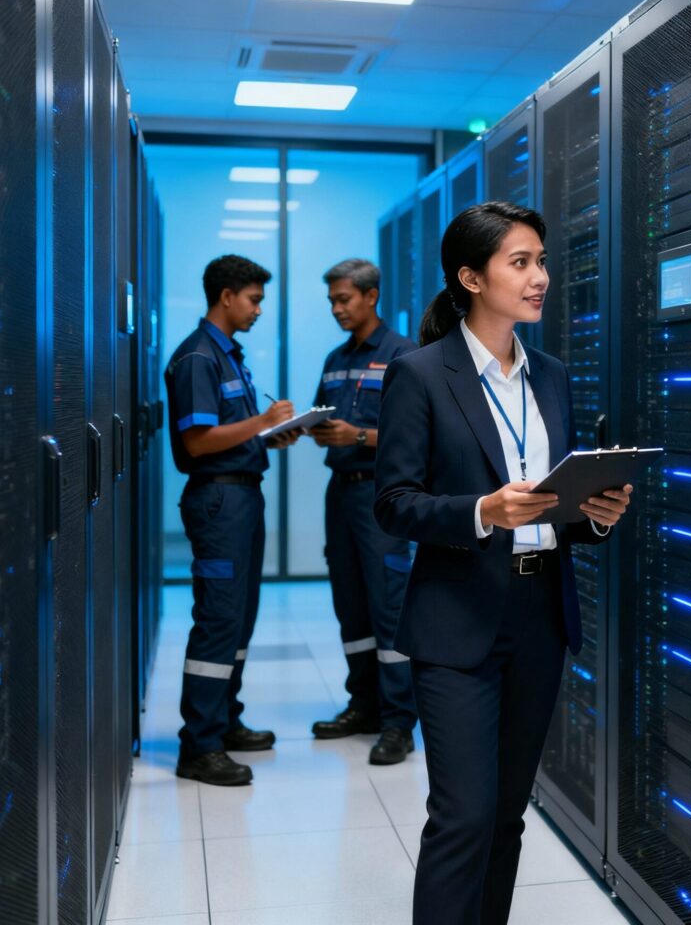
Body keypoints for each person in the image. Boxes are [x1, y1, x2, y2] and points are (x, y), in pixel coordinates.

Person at [374, 202, 633, 925]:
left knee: (509, 816)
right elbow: (393, 503)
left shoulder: (549, 375)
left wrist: (594, 518)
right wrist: (480, 511)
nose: (541, 277)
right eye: (521, 263)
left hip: (539, 617)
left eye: (541, 261)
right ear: (471, 277)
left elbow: (554, 506)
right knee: (464, 816)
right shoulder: (421, 374)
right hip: (457, 618)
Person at [164, 254, 297, 786]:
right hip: (219, 502)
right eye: (254, 299)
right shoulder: (198, 358)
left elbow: (230, 430)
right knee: (219, 618)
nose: (259, 309)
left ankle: (224, 721)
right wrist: (262, 421)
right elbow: (197, 441)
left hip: (242, 497)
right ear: (226, 296)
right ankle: (198, 746)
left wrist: (268, 433)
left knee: (238, 618)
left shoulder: (229, 355)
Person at [308, 258, 419, 765]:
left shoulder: (404, 356)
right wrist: (306, 427)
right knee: (350, 603)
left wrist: (356, 435)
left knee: (388, 605)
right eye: (332, 301)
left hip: (382, 495)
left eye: (344, 299)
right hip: (341, 492)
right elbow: (324, 413)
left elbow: (419, 436)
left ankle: (398, 721)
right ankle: (364, 704)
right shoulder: (335, 358)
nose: (336, 309)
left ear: (371, 297)